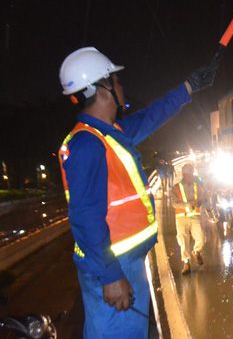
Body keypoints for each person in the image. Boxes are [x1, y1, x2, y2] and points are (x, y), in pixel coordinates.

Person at [58, 47, 216, 338]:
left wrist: (189, 87)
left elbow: (153, 115)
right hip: (113, 268)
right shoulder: (87, 145)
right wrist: (111, 276)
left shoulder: (111, 133)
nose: (122, 87)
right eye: (116, 82)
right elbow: (85, 217)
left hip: (126, 263)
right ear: (103, 90)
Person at [171, 163, 210, 274]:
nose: (191, 176)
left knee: (201, 237)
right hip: (181, 218)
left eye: (192, 173)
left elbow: (202, 199)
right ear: (184, 174)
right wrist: (188, 204)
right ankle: (186, 262)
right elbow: (175, 204)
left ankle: (196, 251)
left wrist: (203, 199)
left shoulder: (197, 186)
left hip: (195, 216)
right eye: (189, 173)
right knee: (183, 240)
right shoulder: (176, 188)